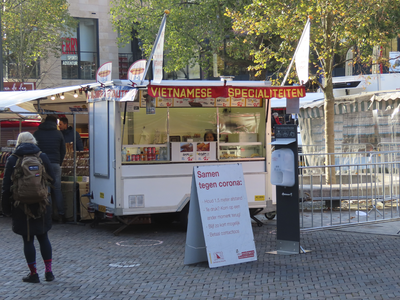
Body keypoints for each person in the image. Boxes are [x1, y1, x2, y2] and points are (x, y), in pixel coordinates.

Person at [1, 132, 55, 283]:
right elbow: (53, 178)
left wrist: (6, 209)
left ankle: (33, 274)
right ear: (33, 141)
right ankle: (49, 272)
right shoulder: (41, 157)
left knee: (28, 240)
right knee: (44, 237)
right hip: (41, 203)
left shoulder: (13, 159)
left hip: (21, 205)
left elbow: (6, 187)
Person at [33, 115, 66, 223]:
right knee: (57, 189)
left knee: (46, 190)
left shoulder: (37, 133)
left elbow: (34, 150)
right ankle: (61, 214)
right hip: (55, 164)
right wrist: (58, 162)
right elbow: (63, 150)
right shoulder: (58, 133)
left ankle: (48, 214)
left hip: (41, 164)